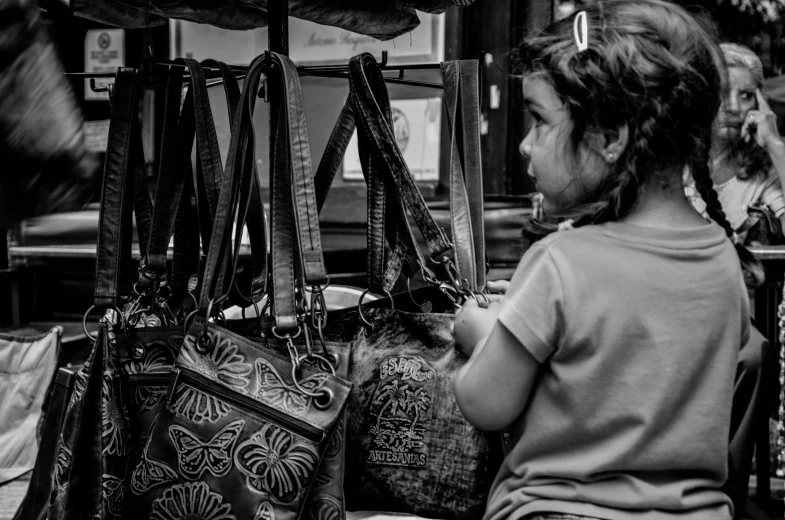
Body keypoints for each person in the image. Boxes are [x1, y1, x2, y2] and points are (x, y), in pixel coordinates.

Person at [452, 1, 760, 519]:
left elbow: (486, 402)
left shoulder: (561, 261)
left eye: (539, 120)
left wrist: (484, 331)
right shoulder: (721, 259)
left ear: (611, 137)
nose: (525, 145)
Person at [684, 43, 785, 245]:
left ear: (760, 103)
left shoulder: (765, 170)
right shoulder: (674, 162)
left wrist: (775, 144)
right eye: (722, 93)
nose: (734, 107)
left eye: (746, 95)